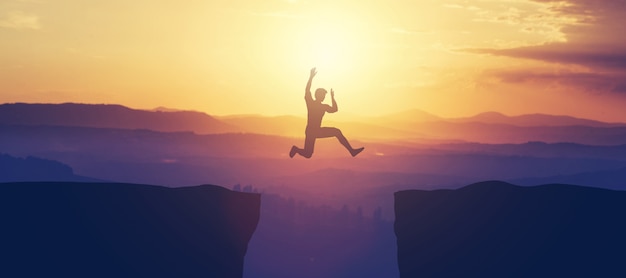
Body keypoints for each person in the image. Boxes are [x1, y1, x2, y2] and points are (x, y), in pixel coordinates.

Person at [290, 67, 364, 158]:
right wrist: (311, 77)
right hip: (311, 131)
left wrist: (333, 97)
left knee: (309, 154)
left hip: (314, 131)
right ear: (318, 95)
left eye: (325, 95)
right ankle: (352, 151)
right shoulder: (311, 103)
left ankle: (352, 151)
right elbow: (307, 90)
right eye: (323, 95)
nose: (324, 97)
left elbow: (334, 109)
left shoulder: (323, 106)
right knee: (309, 153)